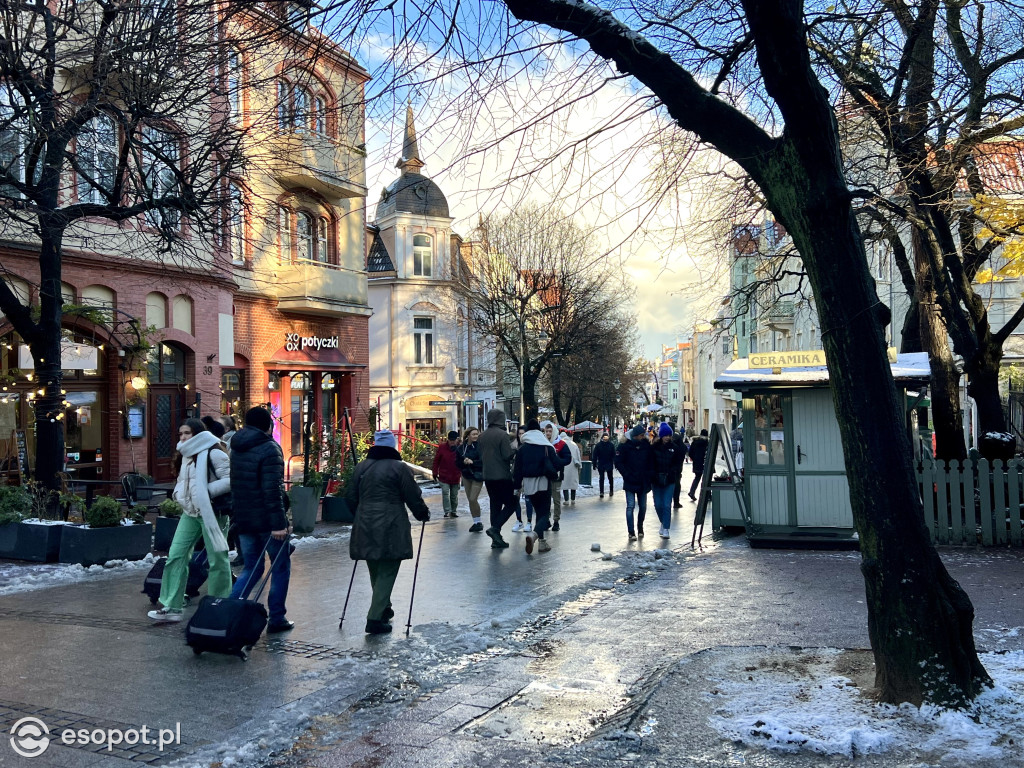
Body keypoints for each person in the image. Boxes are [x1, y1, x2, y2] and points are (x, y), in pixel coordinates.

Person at [148, 418, 232, 623]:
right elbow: (183, 483)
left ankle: (218, 606)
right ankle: (171, 606)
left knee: (217, 560)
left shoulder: (214, 453)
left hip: (212, 513)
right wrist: (179, 495)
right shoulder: (186, 455)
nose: (183, 437)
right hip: (190, 513)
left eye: (187, 433)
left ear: (198, 434)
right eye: (181, 434)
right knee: (175, 556)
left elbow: (231, 480)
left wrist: (206, 492)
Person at [346, 430, 430, 634]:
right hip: (391, 522)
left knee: (374, 566)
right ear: (392, 446)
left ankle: (383, 608)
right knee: (389, 568)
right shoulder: (399, 468)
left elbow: (350, 496)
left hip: (365, 522)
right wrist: (422, 513)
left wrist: (359, 514)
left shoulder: (361, 467)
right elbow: (412, 495)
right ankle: (374, 618)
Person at [228, 407, 294, 633]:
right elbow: (272, 489)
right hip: (268, 521)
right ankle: (277, 618)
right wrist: (279, 524)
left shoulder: (236, 447)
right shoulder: (269, 448)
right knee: (280, 567)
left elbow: (236, 485)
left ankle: (228, 612)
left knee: (252, 568)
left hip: (245, 518)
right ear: (268, 425)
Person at [512, 419, 559, 554]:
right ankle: (534, 536)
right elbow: (556, 463)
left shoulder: (522, 449)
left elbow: (517, 470)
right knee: (544, 513)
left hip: (528, 484)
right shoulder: (547, 446)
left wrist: (516, 487)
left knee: (537, 510)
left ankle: (542, 543)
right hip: (544, 482)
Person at [478, 409, 517, 549]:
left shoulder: (482, 436)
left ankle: (496, 540)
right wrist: (515, 451)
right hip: (502, 475)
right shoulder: (502, 435)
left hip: (488, 476)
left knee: (495, 505)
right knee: (512, 503)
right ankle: (495, 529)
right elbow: (507, 455)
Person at [615, 424, 654, 540]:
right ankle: (631, 531)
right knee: (630, 506)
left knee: (642, 507)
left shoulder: (646, 446)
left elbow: (650, 461)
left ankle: (640, 527)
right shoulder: (624, 446)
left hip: (643, 480)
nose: (643, 437)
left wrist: (648, 475)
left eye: (643, 435)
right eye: (641, 435)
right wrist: (626, 474)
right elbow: (618, 462)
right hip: (630, 480)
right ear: (635, 436)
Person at [651, 422, 684, 538]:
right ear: (661, 435)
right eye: (665, 435)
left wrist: (673, 472)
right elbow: (650, 463)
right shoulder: (654, 448)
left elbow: (678, 462)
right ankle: (663, 522)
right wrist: (653, 474)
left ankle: (666, 528)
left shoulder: (674, 448)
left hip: (669, 480)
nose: (667, 437)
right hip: (656, 480)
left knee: (666, 504)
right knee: (658, 505)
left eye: (669, 435)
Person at [541, 421, 572, 531]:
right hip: (544, 476)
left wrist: (558, 462)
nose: (548, 433)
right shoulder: (542, 443)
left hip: (556, 476)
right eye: (546, 431)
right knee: (545, 500)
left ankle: (556, 520)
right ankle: (546, 519)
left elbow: (568, 458)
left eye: (550, 431)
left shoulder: (561, 444)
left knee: (556, 499)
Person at [457, 427, 484, 532]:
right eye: (473, 434)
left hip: (477, 475)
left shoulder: (480, 447)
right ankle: (476, 522)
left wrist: (473, 462)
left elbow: (483, 461)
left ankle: (479, 521)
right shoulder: (461, 448)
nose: (475, 436)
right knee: (470, 500)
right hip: (466, 475)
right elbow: (457, 462)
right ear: (468, 435)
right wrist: (464, 462)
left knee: (473, 498)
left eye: (477, 434)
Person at [431, 430, 462, 518]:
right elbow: (436, 461)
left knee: (454, 495)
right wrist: (435, 472)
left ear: (457, 439)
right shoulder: (442, 447)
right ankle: (447, 511)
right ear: (448, 439)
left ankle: (454, 511)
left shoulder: (460, 448)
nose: (452, 442)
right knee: (445, 493)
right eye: (450, 440)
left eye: (453, 440)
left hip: (456, 476)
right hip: (444, 476)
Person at [509, 426, 532, 532]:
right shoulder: (514, 446)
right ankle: (519, 520)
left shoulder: (530, 446)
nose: (521, 436)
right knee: (515, 499)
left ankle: (529, 521)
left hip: (527, 475)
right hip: (516, 476)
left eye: (523, 433)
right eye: (519, 433)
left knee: (528, 499)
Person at [592, 432, 617, 499]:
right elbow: (595, 455)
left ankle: (611, 490)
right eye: (604, 437)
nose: (605, 439)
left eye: (606, 437)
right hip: (602, 463)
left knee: (610, 477)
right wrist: (594, 463)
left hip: (607, 462)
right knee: (602, 478)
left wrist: (615, 463)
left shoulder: (610, 445)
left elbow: (614, 455)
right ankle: (601, 492)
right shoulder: (599, 445)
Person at [560, 431, 583, 505]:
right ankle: (573, 499)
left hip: (564, 465)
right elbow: (578, 455)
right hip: (574, 465)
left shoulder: (561, 444)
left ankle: (566, 500)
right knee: (573, 483)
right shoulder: (573, 444)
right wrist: (580, 465)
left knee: (565, 483)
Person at [688, 428, 710, 501]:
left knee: (697, 478)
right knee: (706, 479)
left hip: (697, 463)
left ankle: (692, 492)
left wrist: (695, 459)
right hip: (706, 462)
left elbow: (690, 452)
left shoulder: (695, 442)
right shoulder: (707, 443)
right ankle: (706, 495)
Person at [671, 425, 689, 508]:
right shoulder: (677, 437)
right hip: (677, 467)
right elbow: (684, 448)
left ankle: (666, 501)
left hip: (667, 467)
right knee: (677, 484)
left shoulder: (663, 438)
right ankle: (676, 501)